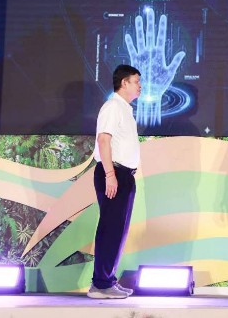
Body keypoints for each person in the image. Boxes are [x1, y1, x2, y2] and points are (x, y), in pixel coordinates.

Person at [88, 64, 142, 299]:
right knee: (110, 229)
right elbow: (103, 140)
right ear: (124, 83)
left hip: (124, 175)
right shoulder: (112, 107)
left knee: (118, 230)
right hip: (114, 173)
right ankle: (100, 284)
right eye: (136, 81)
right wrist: (110, 175)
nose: (140, 86)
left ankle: (108, 280)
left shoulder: (125, 109)